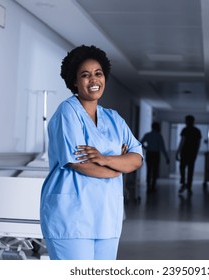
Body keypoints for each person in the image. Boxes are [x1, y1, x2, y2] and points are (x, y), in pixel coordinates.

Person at [40, 45, 143, 260]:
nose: (93, 80)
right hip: (71, 219)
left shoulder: (114, 118)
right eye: (85, 75)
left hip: (107, 218)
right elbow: (79, 163)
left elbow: (136, 159)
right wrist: (118, 166)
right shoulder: (68, 112)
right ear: (75, 81)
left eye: (98, 74)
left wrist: (105, 159)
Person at [140, 122, 170, 193]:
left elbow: (140, 143)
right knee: (155, 171)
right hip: (156, 155)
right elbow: (162, 148)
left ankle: (148, 187)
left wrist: (146, 147)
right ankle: (153, 187)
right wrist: (166, 157)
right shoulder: (159, 136)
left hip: (149, 153)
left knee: (149, 170)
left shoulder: (147, 135)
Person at [176, 115, 201, 195]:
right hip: (192, 153)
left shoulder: (185, 130)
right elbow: (198, 144)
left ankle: (183, 183)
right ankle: (189, 187)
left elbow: (182, 142)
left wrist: (178, 152)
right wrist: (196, 153)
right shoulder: (197, 131)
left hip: (185, 152)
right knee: (190, 170)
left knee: (182, 168)